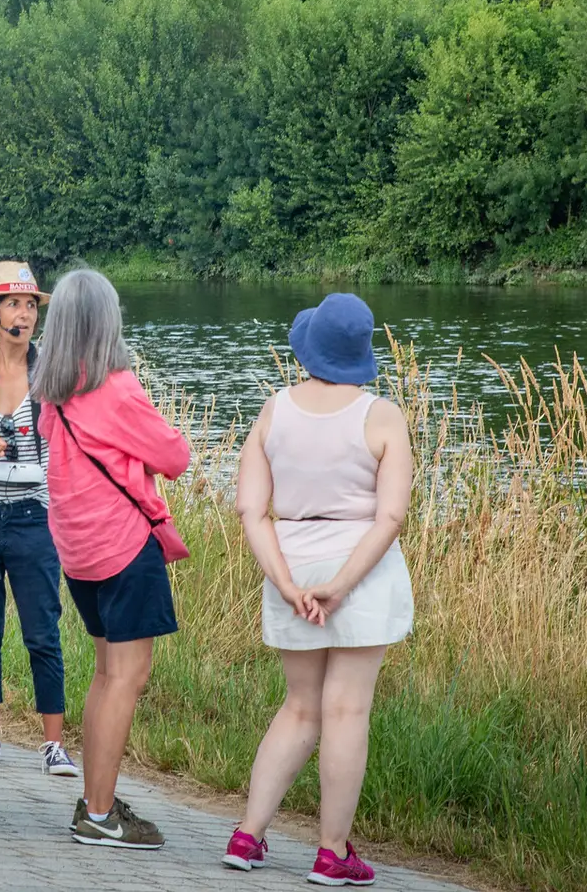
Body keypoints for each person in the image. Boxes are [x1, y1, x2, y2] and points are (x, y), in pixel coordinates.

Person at [223, 293, 413, 884]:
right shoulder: (381, 416)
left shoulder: (274, 410)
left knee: (300, 707)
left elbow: (250, 509)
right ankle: (332, 853)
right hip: (360, 572)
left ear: (308, 349)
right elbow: (391, 516)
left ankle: (247, 835)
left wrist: (285, 583)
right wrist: (340, 585)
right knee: (346, 709)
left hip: (293, 562)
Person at [34, 268, 190, 850]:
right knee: (127, 678)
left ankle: (95, 802)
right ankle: (101, 815)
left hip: (78, 555)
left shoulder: (53, 394)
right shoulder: (119, 388)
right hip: (124, 547)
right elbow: (175, 456)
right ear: (107, 323)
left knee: (105, 675)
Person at [0, 261, 77, 777]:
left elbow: (75, 442)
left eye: (30, 306)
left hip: (35, 519)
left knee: (42, 633)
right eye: (13, 305)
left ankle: (54, 745)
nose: (23, 315)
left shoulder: (53, 374)